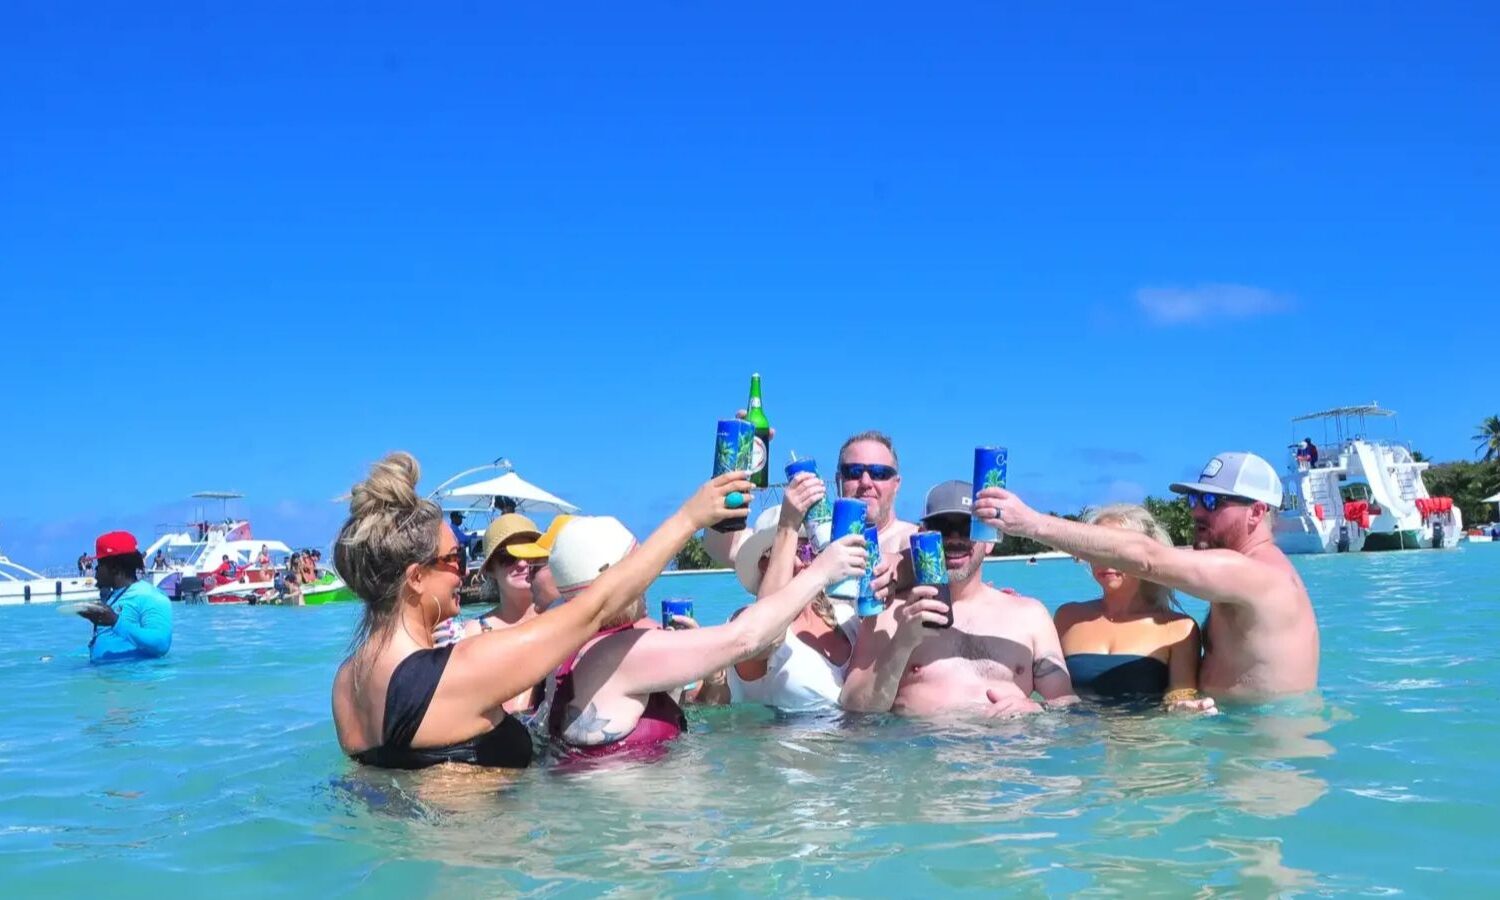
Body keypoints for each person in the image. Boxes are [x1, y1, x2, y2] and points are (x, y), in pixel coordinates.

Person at [331, 452, 753, 770]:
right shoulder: (460, 668)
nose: (464, 572)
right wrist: (688, 518)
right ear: (415, 578)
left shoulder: (347, 681)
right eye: (454, 560)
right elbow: (595, 606)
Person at [976, 451, 1318, 702]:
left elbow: (1147, 558)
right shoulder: (1235, 577)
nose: (1197, 510)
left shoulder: (1258, 575)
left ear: (1257, 512)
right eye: (1195, 499)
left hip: (1266, 752)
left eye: (1213, 501)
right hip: (1237, 739)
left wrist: (1030, 523)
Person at [546, 516, 865, 757]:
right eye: (639, 564)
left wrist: (710, 680)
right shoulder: (623, 653)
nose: (649, 576)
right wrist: (820, 571)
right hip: (622, 833)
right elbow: (749, 639)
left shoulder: (563, 648)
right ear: (612, 577)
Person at [841, 481, 1077, 716]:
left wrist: (1037, 709)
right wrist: (903, 642)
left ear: (989, 540)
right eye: (942, 527)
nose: (954, 538)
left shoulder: (1030, 616)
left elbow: (1067, 705)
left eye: (968, 527)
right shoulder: (888, 614)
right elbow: (854, 708)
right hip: (920, 749)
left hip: (1006, 749)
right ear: (922, 537)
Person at [726, 471, 860, 713]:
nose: (800, 563)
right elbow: (762, 638)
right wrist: (788, 525)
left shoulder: (845, 617)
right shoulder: (744, 624)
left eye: (807, 550)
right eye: (789, 553)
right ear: (764, 565)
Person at [1053, 504, 1209, 709]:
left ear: (1145, 556)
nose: (1104, 558)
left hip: (1141, 738)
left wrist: (1182, 708)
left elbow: (1180, 695)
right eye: (1097, 547)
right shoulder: (1067, 617)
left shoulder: (1179, 628)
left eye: (1117, 549)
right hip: (1076, 738)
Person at [78, 531, 173, 663]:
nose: (96, 571)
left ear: (115, 568)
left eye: (99, 565)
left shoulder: (150, 596)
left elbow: (161, 644)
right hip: (110, 678)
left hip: (134, 681)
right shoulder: (114, 596)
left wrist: (116, 622)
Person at [838, 430, 919, 555]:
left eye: (878, 473)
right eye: (854, 472)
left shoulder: (914, 541)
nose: (865, 482)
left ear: (896, 484)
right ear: (839, 480)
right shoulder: (819, 546)